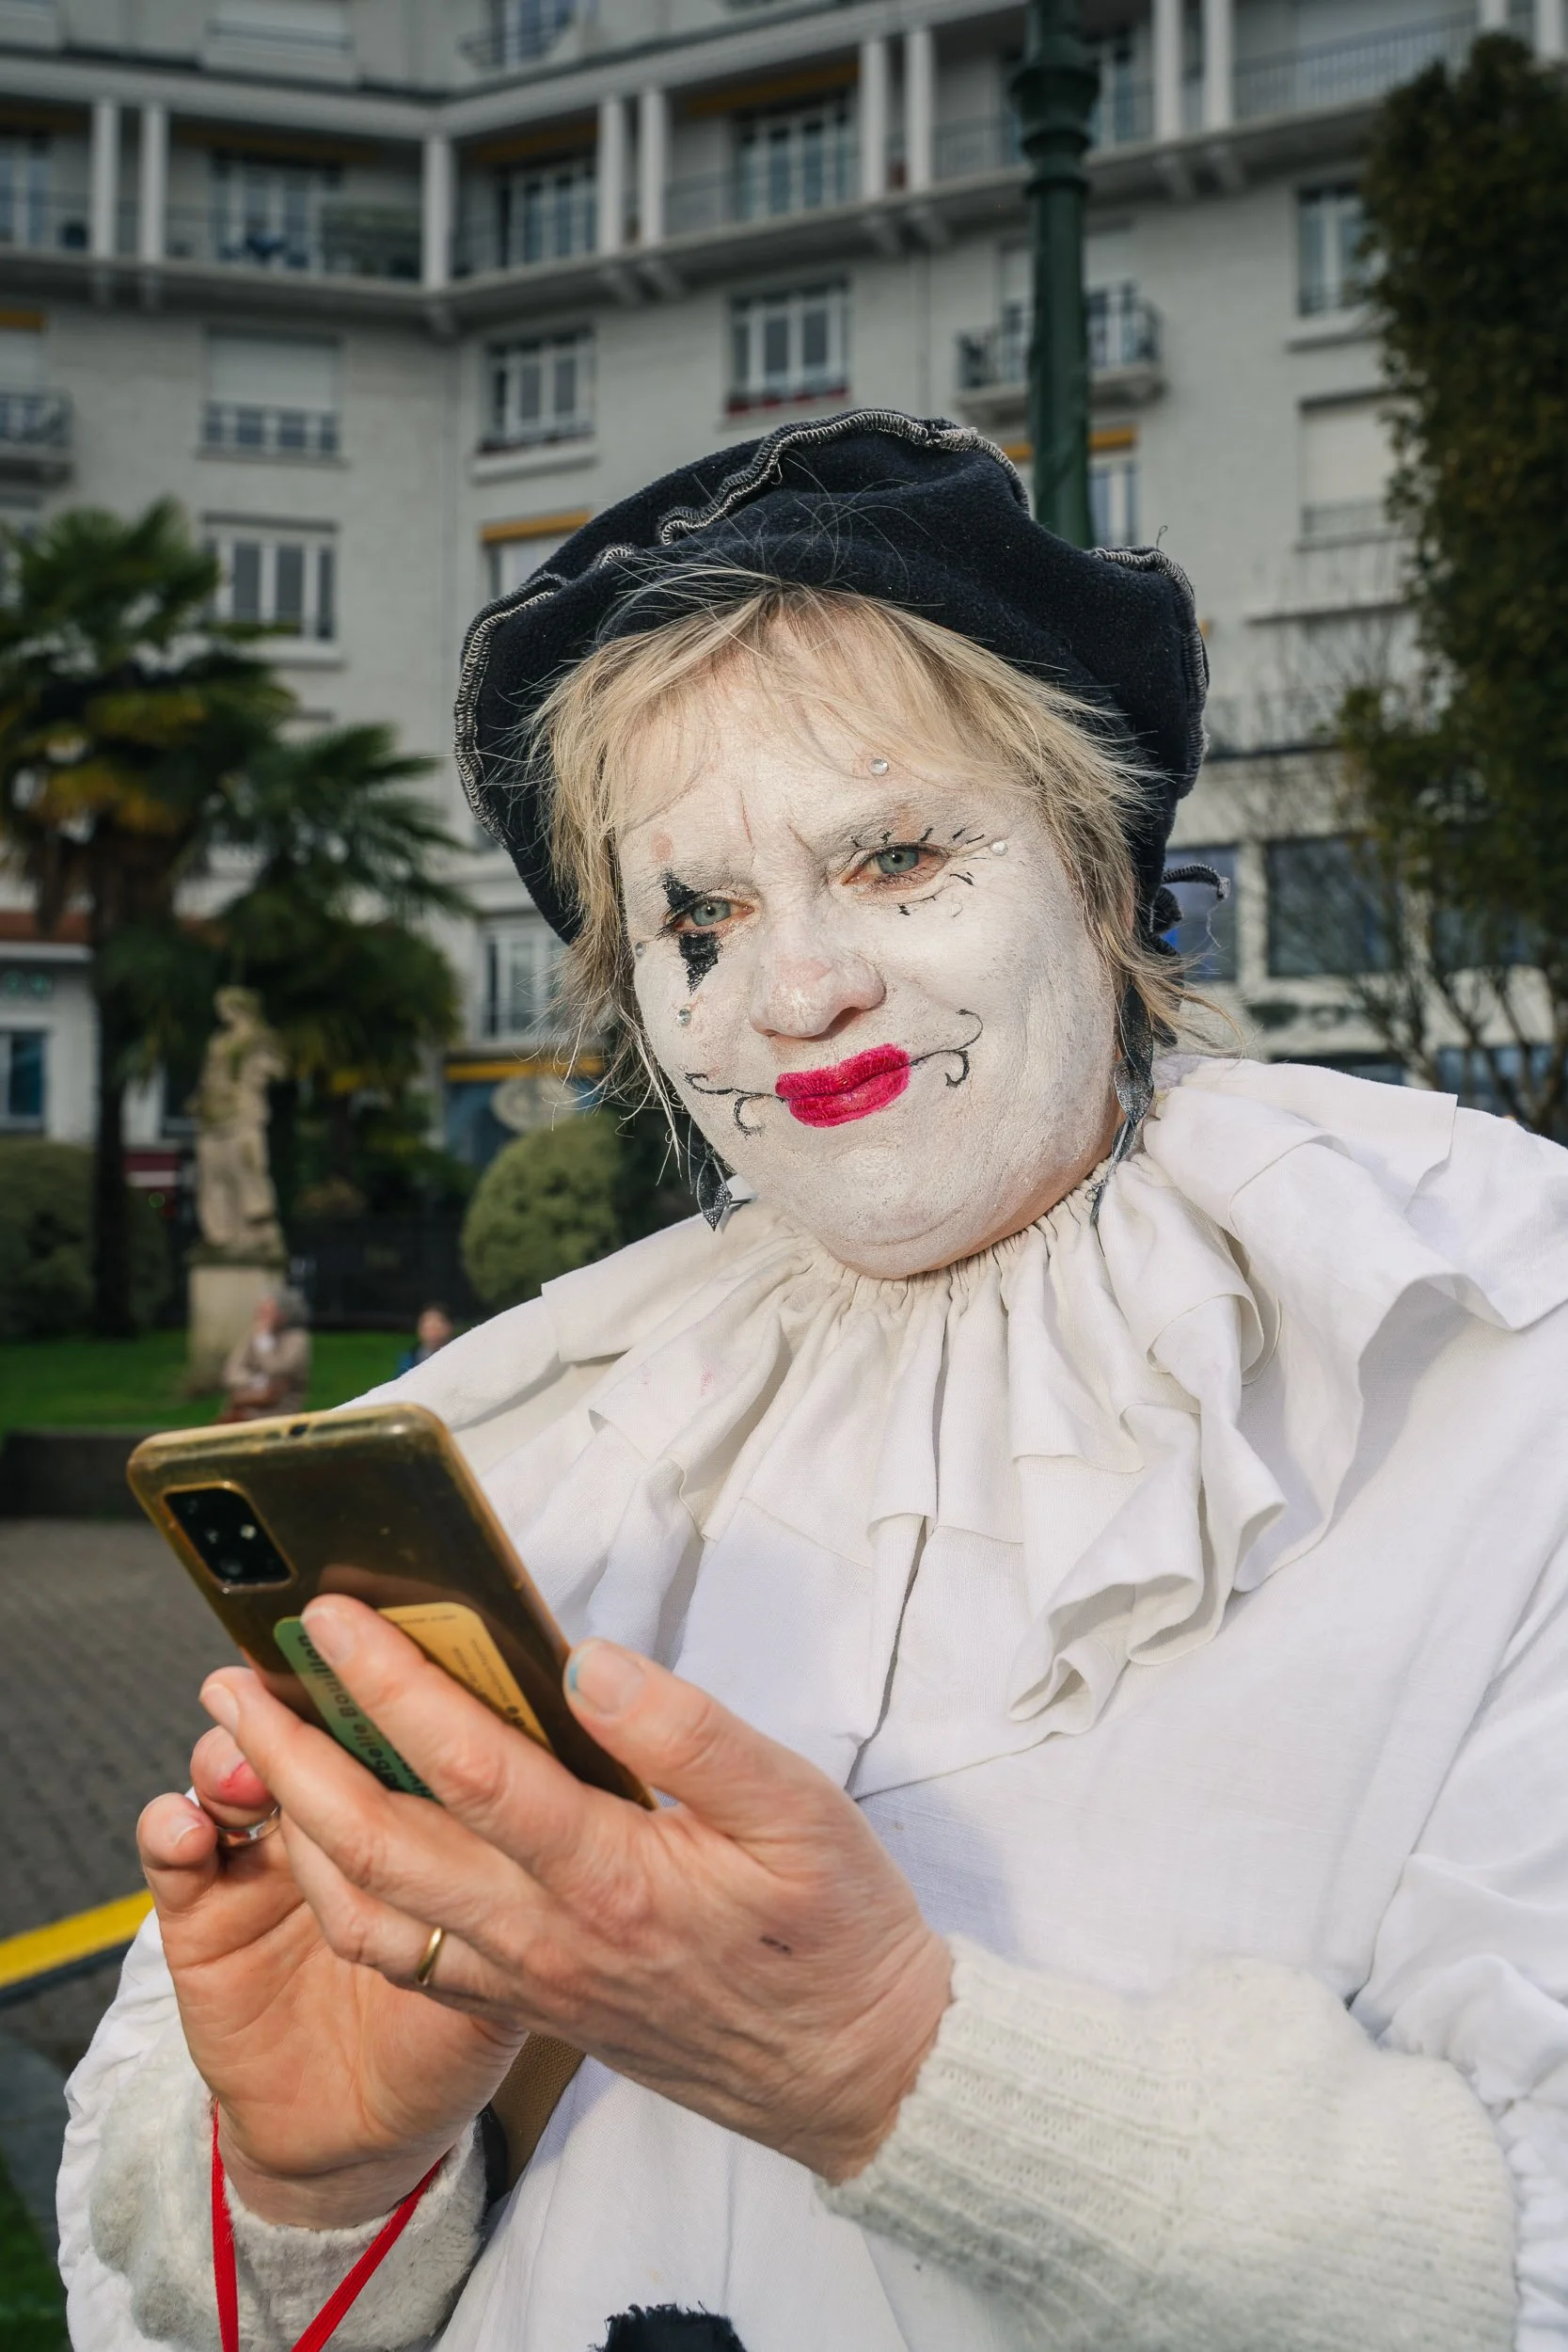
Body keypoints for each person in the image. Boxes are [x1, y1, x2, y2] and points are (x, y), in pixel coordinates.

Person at [60, 417, 1568, 2352]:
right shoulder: (537, 1433)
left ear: (1101, 870)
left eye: (893, 851)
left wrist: (885, 2064)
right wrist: (310, 2181)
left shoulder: (1484, 1339)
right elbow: (197, 2285)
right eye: (693, 918)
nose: (794, 990)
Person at [215, 1287, 311, 1423]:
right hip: (243, 1407)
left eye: (268, 1312)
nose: (261, 1317)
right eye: (260, 1311)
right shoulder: (253, 1334)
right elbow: (231, 1371)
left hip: (278, 1413)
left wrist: (264, 1342)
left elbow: (277, 1370)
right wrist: (256, 1381)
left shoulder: (297, 1340)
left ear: (283, 1314)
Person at [395, 1302, 455, 1378]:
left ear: (450, 1326)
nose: (432, 1333)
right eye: (427, 1328)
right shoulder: (409, 1360)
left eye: (437, 1327)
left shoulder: (460, 1356)